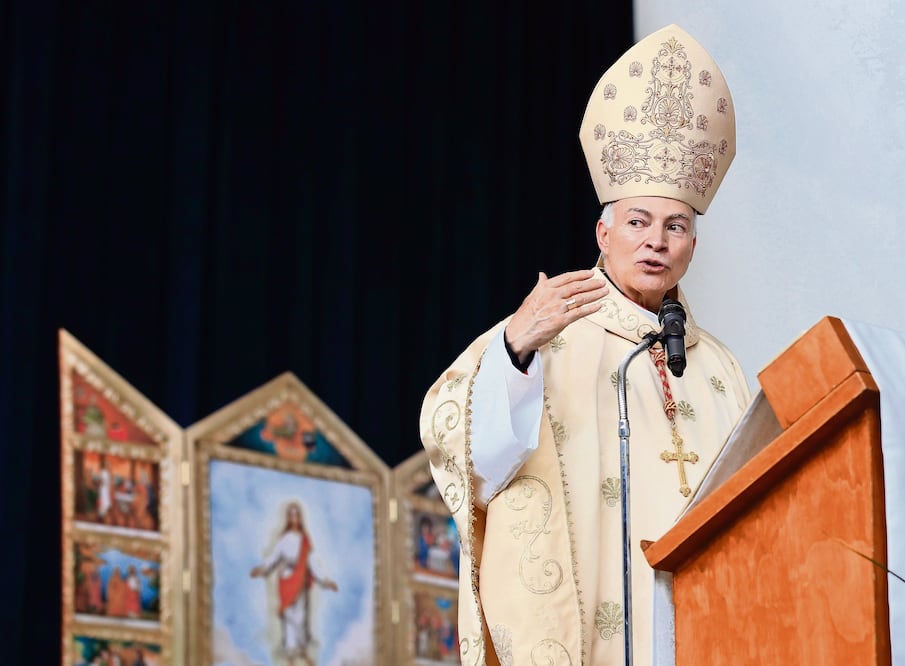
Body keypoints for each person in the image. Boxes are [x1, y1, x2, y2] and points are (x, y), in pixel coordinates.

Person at [419, 24, 752, 665]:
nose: (655, 241)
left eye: (674, 226)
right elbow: (472, 463)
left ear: (692, 246)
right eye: (637, 222)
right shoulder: (549, 330)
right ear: (603, 231)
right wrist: (515, 350)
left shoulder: (719, 369)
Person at [250, 501, 339, 666]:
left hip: (301, 582)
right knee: (289, 620)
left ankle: (303, 654)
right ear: (288, 518)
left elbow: (312, 563)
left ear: (300, 518)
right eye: (291, 515)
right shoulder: (283, 539)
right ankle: (291, 658)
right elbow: (273, 558)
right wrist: (261, 569)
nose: (294, 518)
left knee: (301, 619)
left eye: (296, 514)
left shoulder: (305, 540)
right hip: (286, 581)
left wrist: (327, 581)